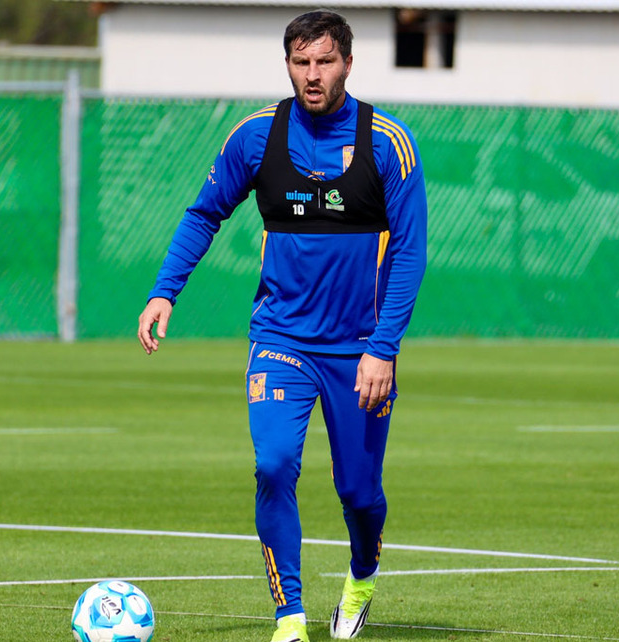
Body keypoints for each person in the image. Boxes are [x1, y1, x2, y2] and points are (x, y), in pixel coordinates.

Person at [137, 10, 426, 641]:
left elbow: (409, 252)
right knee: (273, 465)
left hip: (360, 354)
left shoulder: (388, 144)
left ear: (348, 62)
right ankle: (289, 615)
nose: (312, 74)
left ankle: (361, 575)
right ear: (287, 64)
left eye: (324, 61)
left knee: (359, 493)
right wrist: (165, 294)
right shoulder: (255, 137)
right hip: (282, 341)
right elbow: (203, 213)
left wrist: (383, 348)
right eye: (301, 62)